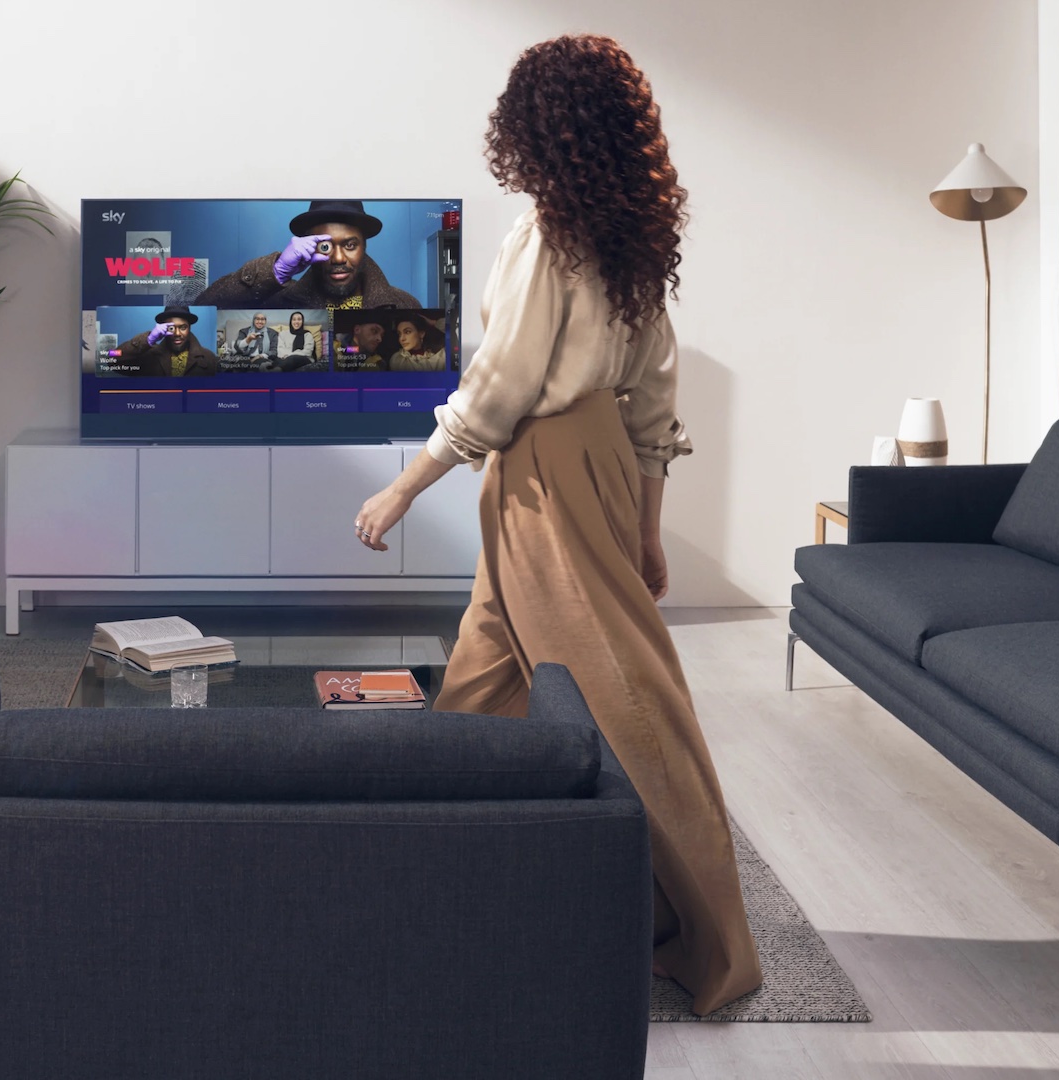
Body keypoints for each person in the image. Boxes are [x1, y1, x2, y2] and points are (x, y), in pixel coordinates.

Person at [351, 34, 762, 1016]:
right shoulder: (633, 242)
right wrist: (651, 530)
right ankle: (443, 894)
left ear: (537, 131)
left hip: (543, 471)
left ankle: (713, 940)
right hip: (603, 471)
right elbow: (655, 412)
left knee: (623, 698)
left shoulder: (548, 236)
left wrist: (402, 489)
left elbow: (497, 392)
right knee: (479, 681)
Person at [194, 200, 421, 311]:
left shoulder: (403, 305)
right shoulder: (278, 300)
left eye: (350, 245)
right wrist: (275, 271)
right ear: (308, 246)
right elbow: (204, 309)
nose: (339, 258)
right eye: (325, 246)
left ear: (364, 246)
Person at [114, 305, 218, 377]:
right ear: (163, 329)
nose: (177, 334)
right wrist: (148, 339)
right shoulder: (148, 355)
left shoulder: (209, 358)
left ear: (189, 328)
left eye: (183, 327)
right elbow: (111, 358)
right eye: (171, 328)